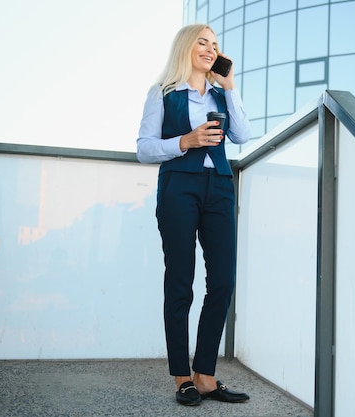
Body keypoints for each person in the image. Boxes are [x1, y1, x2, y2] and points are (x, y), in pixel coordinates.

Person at [135, 24, 251, 406]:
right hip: (178, 187)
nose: (210, 48)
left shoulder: (220, 94)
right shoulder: (163, 93)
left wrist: (230, 87)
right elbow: (144, 148)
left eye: (215, 45)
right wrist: (185, 141)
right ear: (186, 47)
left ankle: (205, 375)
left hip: (218, 187)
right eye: (203, 41)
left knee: (222, 280)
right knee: (181, 280)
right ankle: (182, 376)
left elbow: (243, 136)